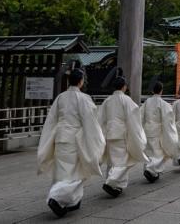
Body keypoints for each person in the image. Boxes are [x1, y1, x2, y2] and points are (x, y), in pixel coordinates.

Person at [37, 68, 104, 218]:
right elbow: (90, 122)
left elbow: (51, 120)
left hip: (60, 136)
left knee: (63, 171)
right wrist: (96, 140)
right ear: (81, 82)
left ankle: (71, 201)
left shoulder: (60, 97)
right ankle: (56, 196)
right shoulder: (84, 98)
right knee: (79, 171)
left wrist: (49, 138)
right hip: (75, 139)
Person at [98, 76, 148, 197]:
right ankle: (111, 182)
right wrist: (138, 135)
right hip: (121, 134)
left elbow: (101, 119)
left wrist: (101, 134)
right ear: (124, 86)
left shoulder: (107, 101)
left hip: (109, 133)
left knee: (112, 161)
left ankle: (117, 185)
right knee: (124, 160)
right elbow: (133, 119)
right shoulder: (127, 100)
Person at [141, 81, 179, 182]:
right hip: (157, 131)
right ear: (161, 90)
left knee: (149, 152)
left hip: (147, 129)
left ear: (153, 90)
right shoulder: (163, 104)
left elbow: (140, 116)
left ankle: (150, 170)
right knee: (159, 153)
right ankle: (151, 169)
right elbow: (168, 119)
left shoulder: (146, 102)